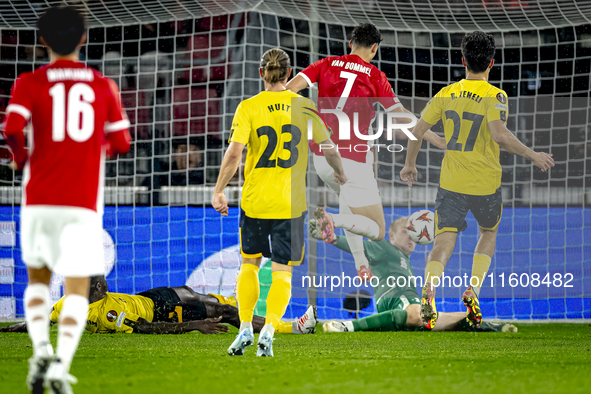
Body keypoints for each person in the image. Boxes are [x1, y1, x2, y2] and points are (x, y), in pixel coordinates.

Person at [2, 6, 132, 393]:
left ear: (41, 40)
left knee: (38, 281)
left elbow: (10, 128)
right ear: (84, 38)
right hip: (82, 205)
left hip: (39, 199)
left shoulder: (28, 82)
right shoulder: (101, 85)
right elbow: (122, 142)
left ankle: (40, 348)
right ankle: (61, 366)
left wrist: (22, 160)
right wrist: (93, 150)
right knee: (77, 289)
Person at [400, 31, 555, 330]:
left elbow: (417, 132)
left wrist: (409, 165)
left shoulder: (446, 94)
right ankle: (473, 289)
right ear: (492, 63)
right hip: (485, 184)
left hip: (451, 183)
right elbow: (500, 136)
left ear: (463, 61)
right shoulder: (495, 95)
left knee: (445, 238)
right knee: (488, 233)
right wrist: (533, 154)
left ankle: (430, 289)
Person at [212, 48, 346, 357]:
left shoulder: (249, 107)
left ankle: (246, 326)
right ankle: (269, 329)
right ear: (289, 74)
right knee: (283, 272)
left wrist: (219, 190)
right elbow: (328, 148)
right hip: (290, 205)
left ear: (261, 73)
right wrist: (340, 172)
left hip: (255, 202)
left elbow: (234, 154)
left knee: (249, 265)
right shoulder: (304, 106)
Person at [286, 23, 446, 280]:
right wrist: (435, 139)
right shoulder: (375, 76)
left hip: (322, 159)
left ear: (350, 44)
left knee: (348, 203)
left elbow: (290, 89)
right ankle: (333, 221)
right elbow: (401, 117)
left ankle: (361, 264)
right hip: (352, 160)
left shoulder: (325, 64)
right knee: (379, 230)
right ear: (374, 48)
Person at [311, 218, 517, 333]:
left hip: (411, 302)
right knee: (416, 314)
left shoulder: (403, 258)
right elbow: (359, 247)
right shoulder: (384, 247)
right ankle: (346, 326)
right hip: (394, 300)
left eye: (412, 232)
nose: (410, 236)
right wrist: (333, 238)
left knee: (462, 318)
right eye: (404, 232)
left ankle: (496, 327)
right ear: (391, 236)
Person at [0, 276, 317, 335]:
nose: (104, 284)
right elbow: (147, 328)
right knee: (228, 314)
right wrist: (195, 325)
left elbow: (43, 318)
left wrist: (16, 327)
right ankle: (292, 328)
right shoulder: (106, 315)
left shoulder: (65, 303)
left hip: (154, 296)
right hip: (163, 310)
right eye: (97, 284)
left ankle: (273, 323)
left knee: (211, 300)